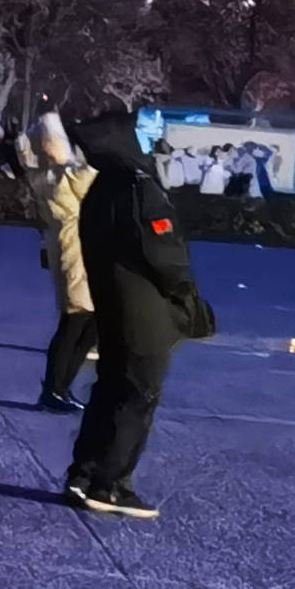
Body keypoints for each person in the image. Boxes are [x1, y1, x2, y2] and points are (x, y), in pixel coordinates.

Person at [65, 107, 211, 519]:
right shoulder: (139, 186)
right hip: (143, 312)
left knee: (110, 388)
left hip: (111, 305)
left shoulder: (100, 188)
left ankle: (84, 472)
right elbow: (164, 252)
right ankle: (110, 484)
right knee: (137, 395)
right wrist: (184, 292)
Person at [28, 108, 97, 411]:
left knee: (83, 321)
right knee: (77, 320)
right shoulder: (65, 174)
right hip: (77, 246)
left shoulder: (45, 174)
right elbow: (90, 180)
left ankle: (60, 387)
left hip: (72, 245)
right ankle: (56, 388)